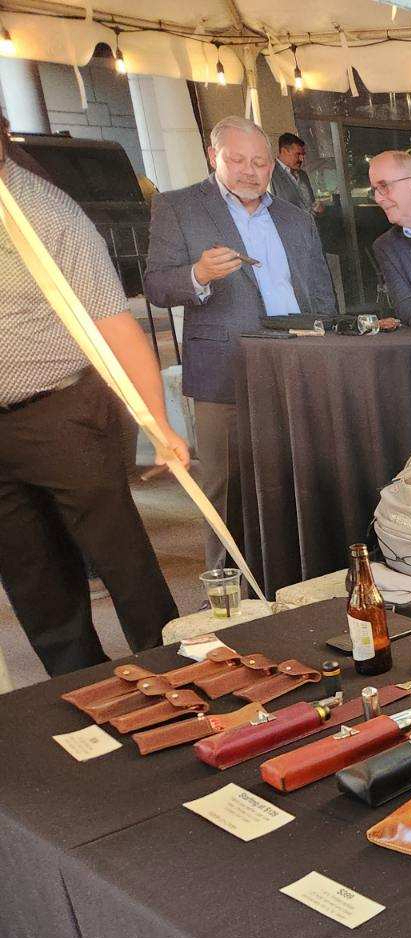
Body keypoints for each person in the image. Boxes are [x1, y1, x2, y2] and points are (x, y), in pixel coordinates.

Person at [0, 114, 189, 675]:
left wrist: (159, 424)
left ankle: (174, 670)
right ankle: (81, 683)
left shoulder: (45, 211)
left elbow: (116, 324)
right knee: (29, 569)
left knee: (118, 555)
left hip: (62, 409)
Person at [144, 116, 337, 570]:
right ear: (214, 157)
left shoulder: (293, 216)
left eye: (260, 162)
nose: (250, 171)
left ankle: (297, 575)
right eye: (237, 160)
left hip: (297, 362)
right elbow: (156, 287)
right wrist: (199, 274)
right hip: (224, 366)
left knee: (299, 476)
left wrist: (326, 343)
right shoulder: (179, 207)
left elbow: (319, 290)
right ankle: (226, 588)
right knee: (225, 485)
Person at [368, 150, 411, 335]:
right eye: (374, 190)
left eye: (384, 186)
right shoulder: (386, 246)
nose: (378, 198)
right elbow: (402, 300)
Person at [271, 132, 319, 213]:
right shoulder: (271, 175)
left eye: (303, 154)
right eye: (298, 154)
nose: (302, 159)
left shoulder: (303, 175)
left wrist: (316, 209)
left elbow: (310, 203)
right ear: (284, 151)